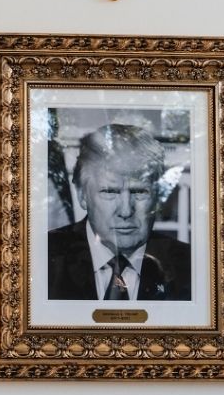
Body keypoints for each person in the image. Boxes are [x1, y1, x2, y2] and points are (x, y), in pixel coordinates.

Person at [46, 124, 190, 301]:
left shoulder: (193, 267)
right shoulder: (40, 258)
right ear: (82, 195)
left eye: (139, 192)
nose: (125, 211)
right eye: (110, 192)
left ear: (158, 197)